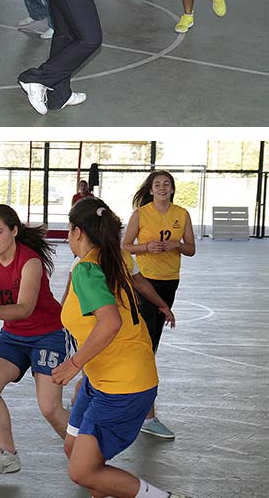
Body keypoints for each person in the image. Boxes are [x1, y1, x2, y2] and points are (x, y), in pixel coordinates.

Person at [52, 197, 190, 498]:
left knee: (82, 470)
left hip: (123, 386)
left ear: (76, 232)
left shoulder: (88, 270)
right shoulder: (111, 257)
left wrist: (74, 363)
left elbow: (110, 322)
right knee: (73, 448)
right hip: (102, 379)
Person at [0, 204, 70, 478]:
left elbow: (25, 308)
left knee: (50, 408)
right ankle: (8, 456)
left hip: (48, 334)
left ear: (14, 231)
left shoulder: (30, 261)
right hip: (13, 335)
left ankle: (87, 453)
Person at [122, 170, 196, 439]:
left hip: (169, 282)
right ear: (151, 190)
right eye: (158, 185)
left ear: (172, 189)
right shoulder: (142, 214)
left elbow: (191, 249)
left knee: (149, 342)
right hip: (145, 282)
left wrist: (176, 244)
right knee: (145, 344)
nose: (163, 188)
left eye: (167, 184)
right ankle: (144, 412)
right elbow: (126, 246)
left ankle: (94, 390)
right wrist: (146, 248)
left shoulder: (182, 214)